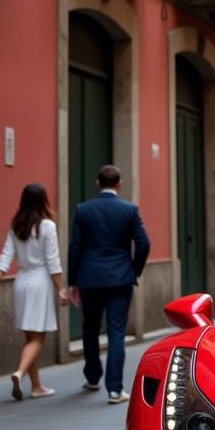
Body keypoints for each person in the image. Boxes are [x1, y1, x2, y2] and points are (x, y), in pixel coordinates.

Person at [68, 165, 150, 404]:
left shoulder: (83, 210)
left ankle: (93, 377)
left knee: (90, 328)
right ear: (119, 184)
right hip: (120, 279)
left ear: (97, 183)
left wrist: (74, 282)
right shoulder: (129, 210)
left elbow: (75, 248)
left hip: (91, 278)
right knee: (116, 332)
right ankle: (114, 389)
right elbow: (144, 244)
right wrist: (133, 270)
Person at [0, 184, 68, 400]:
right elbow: (53, 260)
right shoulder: (48, 226)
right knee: (38, 338)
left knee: (29, 336)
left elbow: (5, 256)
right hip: (40, 281)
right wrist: (61, 289)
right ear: (43, 200)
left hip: (21, 281)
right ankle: (20, 373)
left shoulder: (16, 225)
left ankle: (36, 386)